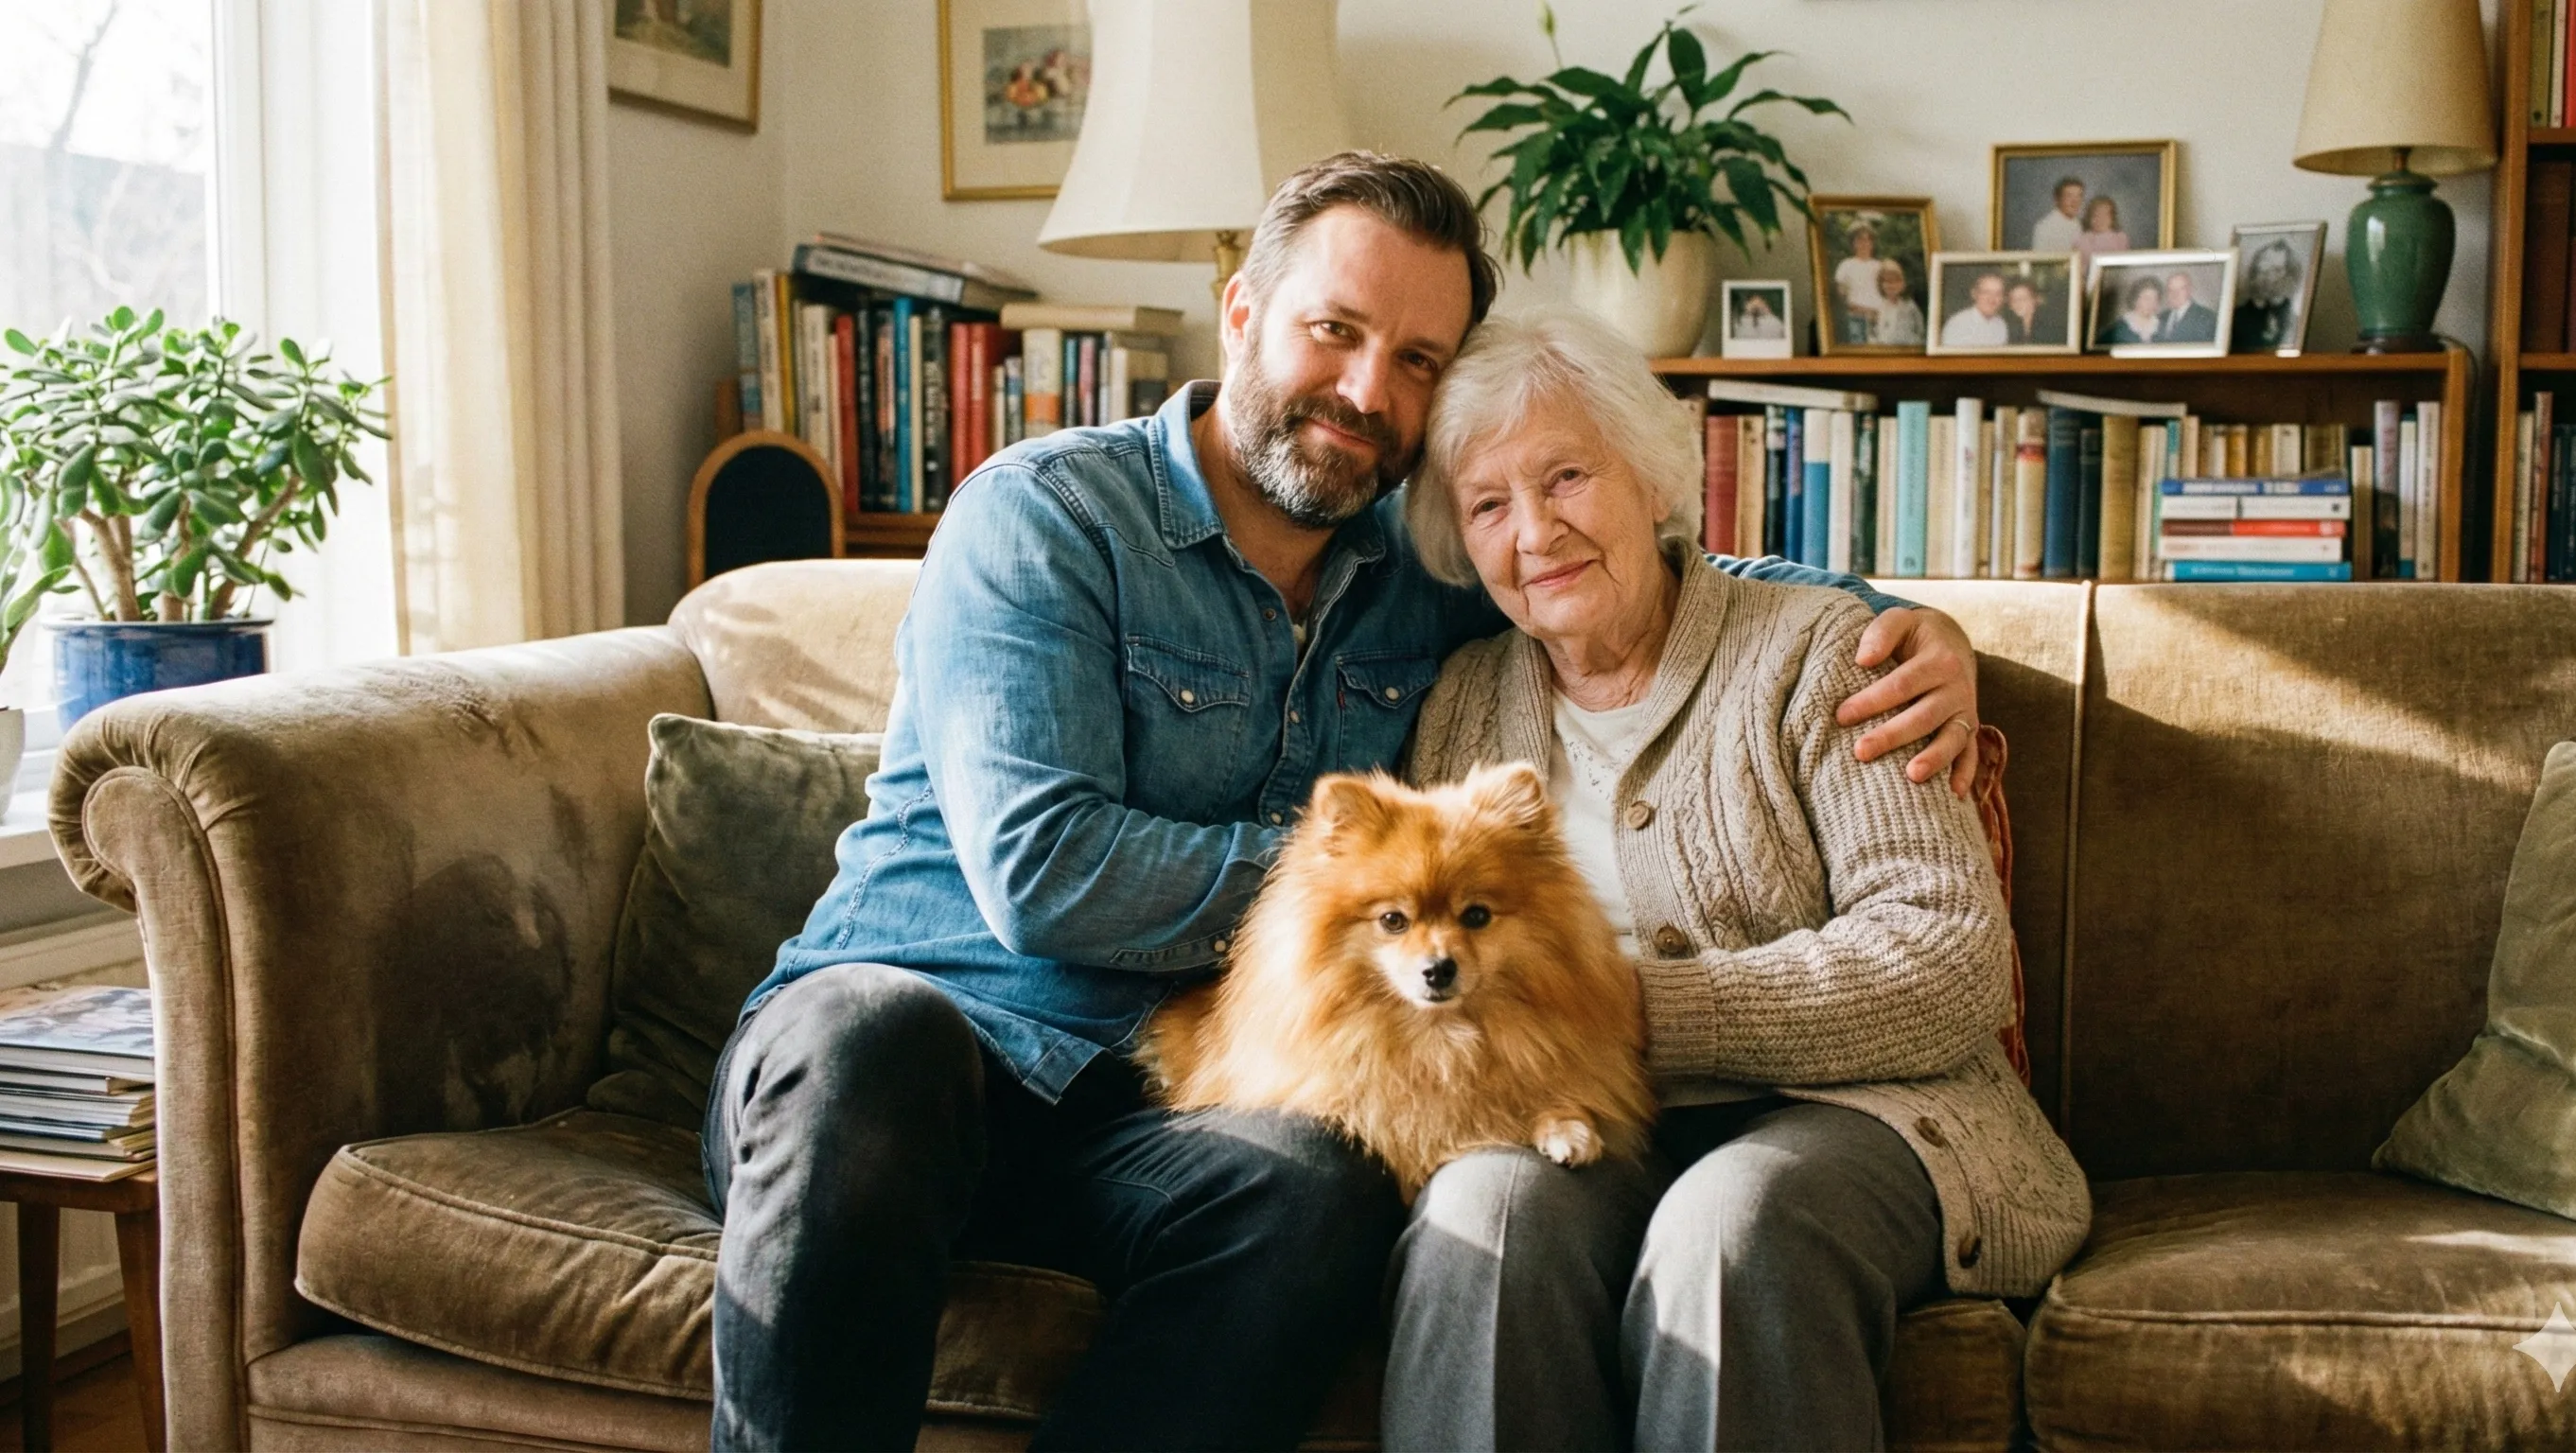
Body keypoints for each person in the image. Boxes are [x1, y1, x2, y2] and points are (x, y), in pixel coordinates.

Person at [703, 151, 1990, 1451]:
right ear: (1243, 310)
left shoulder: (1420, 568)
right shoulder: (1047, 518)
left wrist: (1909, 623)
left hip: (1156, 1108)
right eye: (1337, 330)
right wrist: (1357, 888)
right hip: (914, 1073)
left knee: (1315, 1185)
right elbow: (1047, 873)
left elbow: (1616, 545)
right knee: (875, 1035)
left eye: (1420, 361)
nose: (1370, 391)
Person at [1386, 306, 2092, 1451]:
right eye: (1486, 505)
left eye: (1566, 476)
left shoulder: (1825, 652)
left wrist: (1628, 1008)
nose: (1534, 532)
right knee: (1484, 1214)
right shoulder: (1462, 702)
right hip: (1575, 1120)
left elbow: (1945, 957)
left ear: (1653, 477)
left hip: (1866, 1120)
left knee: (1732, 1223)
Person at [2234, 239, 2303, 352]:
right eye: (2263, 268)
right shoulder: (2236, 319)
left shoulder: (2295, 322)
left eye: (2276, 270)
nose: (2268, 276)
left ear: (2289, 275)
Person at [1831, 224, 1886, 341]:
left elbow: (1887, 293)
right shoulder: (1845, 265)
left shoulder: (1880, 266)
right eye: (1860, 239)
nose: (1864, 243)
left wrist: (1879, 314)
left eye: (1868, 239)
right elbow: (1841, 296)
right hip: (1856, 319)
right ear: (1853, 243)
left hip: (1880, 318)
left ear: (1872, 243)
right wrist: (1862, 311)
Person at [1939, 271, 2013, 348]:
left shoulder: (2001, 324)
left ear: (2003, 298)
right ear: (1974, 294)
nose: (1992, 298)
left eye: (1998, 293)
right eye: (1986, 292)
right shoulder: (1958, 324)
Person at [2071, 195, 2129, 279]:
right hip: (2086, 281)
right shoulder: (2081, 239)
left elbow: (2122, 265)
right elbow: (2077, 267)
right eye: (2096, 215)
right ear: (2089, 218)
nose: (2100, 219)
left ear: (2112, 218)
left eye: (2105, 215)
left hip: (2113, 279)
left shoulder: (2120, 238)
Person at [1869, 258, 1924, 345]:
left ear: (1902, 284)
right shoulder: (1879, 307)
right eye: (1887, 281)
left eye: (1895, 281)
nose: (1891, 285)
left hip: (1907, 348)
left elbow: (1920, 329)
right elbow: (1874, 332)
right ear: (1880, 284)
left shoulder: (1910, 306)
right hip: (1885, 350)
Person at [2160, 271, 2219, 343]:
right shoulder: (2161, 317)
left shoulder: (2207, 317)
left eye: (2181, 289)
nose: (2175, 294)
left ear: (2190, 290)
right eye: (2170, 290)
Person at [2105, 274, 2166, 345]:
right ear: (2135, 299)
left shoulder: (2164, 327)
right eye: (2147, 298)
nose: (2152, 304)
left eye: (2155, 299)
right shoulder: (2119, 328)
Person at [2029, 176, 2085, 252]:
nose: (2075, 201)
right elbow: (2039, 261)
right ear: (2057, 199)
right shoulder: (2044, 227)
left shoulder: (2078, 224)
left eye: (2079, 196)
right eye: (2069, 196)